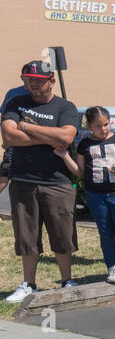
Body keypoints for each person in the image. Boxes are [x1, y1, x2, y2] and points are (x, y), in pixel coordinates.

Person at [2, 61, 80, 301]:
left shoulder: (65, 107)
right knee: (27, 236)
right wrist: (49, 137)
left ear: (51, 81)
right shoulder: (16, 103)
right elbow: (8, 136)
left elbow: (66, 136)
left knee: (63, 235)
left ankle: (67, 280)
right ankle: (29, 284)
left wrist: (25, 126)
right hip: (24, 180)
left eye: (38, 79)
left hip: (57, 181)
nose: (33, 83)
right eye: (28, 79)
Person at [57, 107, 115, 284]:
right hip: (96, 196)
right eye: (98, 126)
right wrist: (65, 156)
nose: (103, 129)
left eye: (106, 124)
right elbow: (79, 172)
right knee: (106, 233)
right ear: (88, 126)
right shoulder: (85, 145)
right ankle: (112, 266)